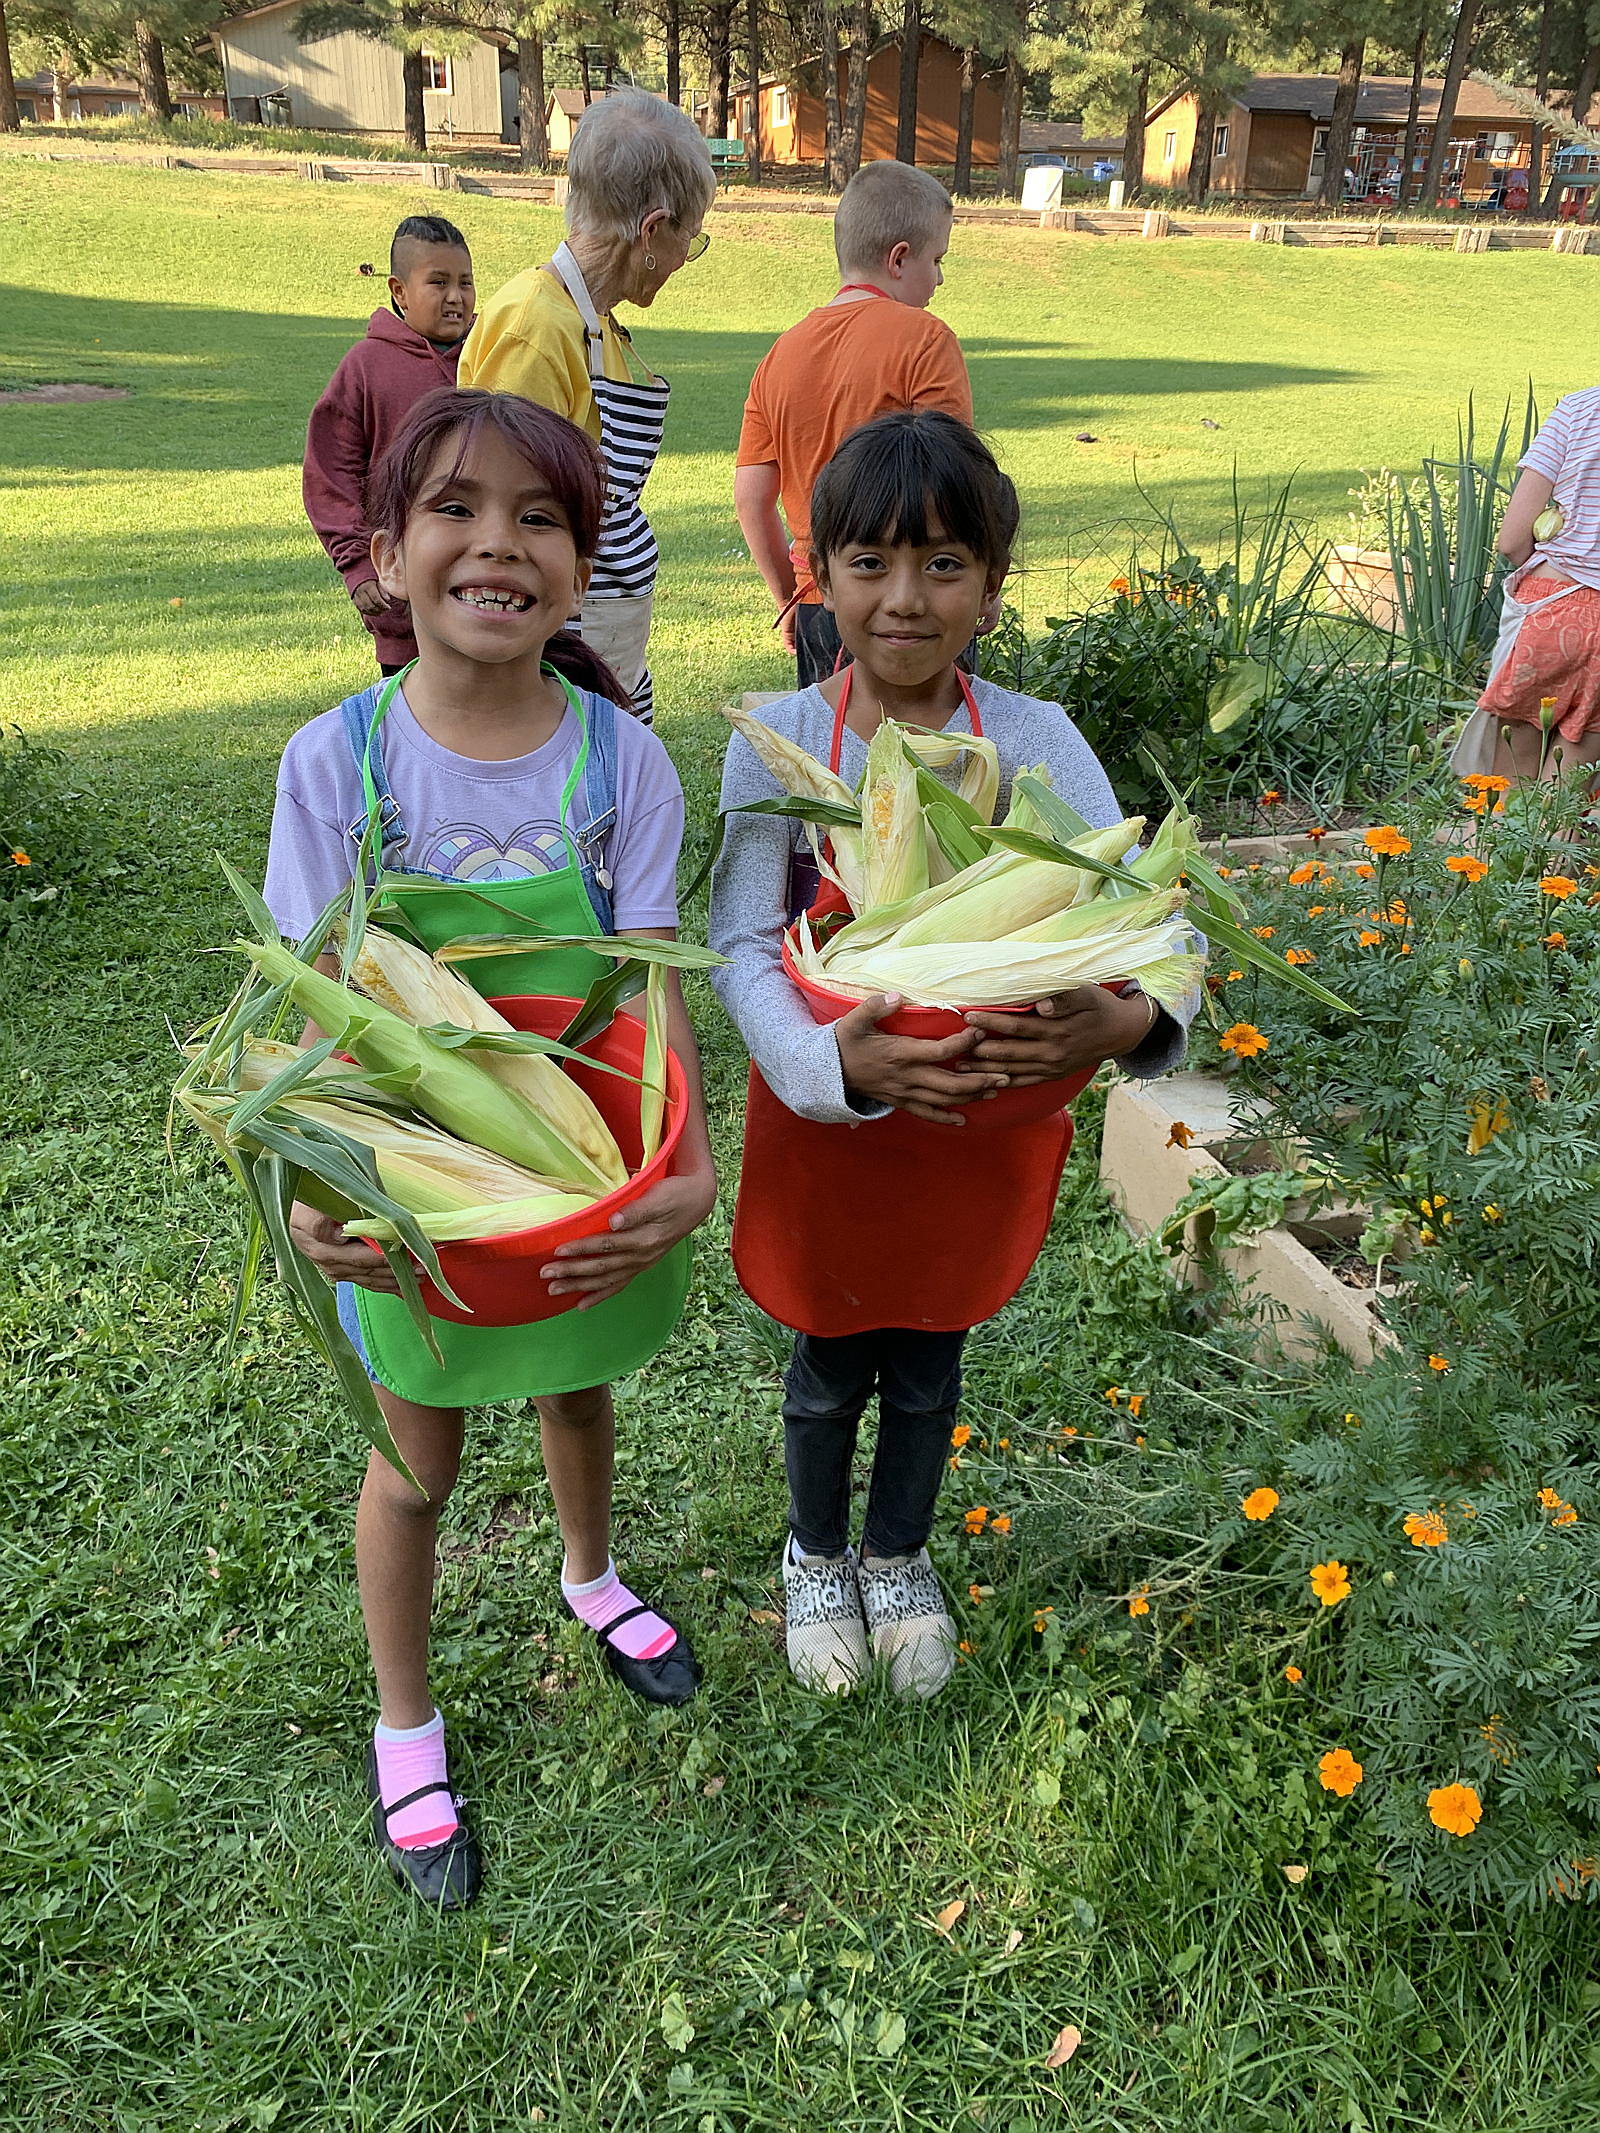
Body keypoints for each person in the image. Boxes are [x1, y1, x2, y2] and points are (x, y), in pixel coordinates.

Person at [263, 388, 719, 1909]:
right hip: (421, 1185)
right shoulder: (338, 765)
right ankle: (406, 1728)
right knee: (417, 1460)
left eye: (540, 519)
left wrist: (687, 1160)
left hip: (580, 1158)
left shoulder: (621, 765)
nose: (497, 544)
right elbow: (311, 1007)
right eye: (454, 509)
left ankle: (591, 1576)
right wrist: (320, 1187)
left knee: (579, 1385)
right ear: (386, 552)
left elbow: (650, 986)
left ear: (582, 570)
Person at [709, 411, 1192, 1700]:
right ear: (819, 575)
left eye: (942, 565)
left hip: (980, 1128)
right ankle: (816, 1556)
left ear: (991, 582)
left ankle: (898, 1553)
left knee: (929, 1355)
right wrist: (833, 1068)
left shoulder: (1035, 741)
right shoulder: (777, 742)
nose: (904, 599)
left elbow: (1154, 922)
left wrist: (1133, 1022)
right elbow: (742, 945)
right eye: (868, 563)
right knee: (827, 1359)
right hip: (833, 1121)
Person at [459, 92, 715, 724]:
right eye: (690, 240)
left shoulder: (594, 321)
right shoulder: (534, 328)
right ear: (652, 231)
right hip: (556, 648)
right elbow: (502, 527)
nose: (684, 260)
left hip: (604, 637)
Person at [734, 160, 973, 689]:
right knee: (929, 741)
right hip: (912, 606)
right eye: (937, 260)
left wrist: (791, 594)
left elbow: (751, 499)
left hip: (822, 599)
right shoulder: (926, 340)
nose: (939, 278)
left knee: (833, 739)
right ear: (899, 258)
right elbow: (956, 485)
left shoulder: (779, 355)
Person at [303, 214, 476, 676]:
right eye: (438, 282)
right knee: (410, 713)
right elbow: (330, 473)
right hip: (403, 602)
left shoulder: (491, 354)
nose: (456, 296)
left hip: (486, 589)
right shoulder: (366, 365)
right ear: (399, 291)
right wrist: (358, 564)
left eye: (465, 282)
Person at [1464, 383, 1600, 785]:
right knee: (1566, 798)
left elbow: (1511, 542)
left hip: (1551, 608)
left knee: (1509, 787)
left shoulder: (1579, 408)